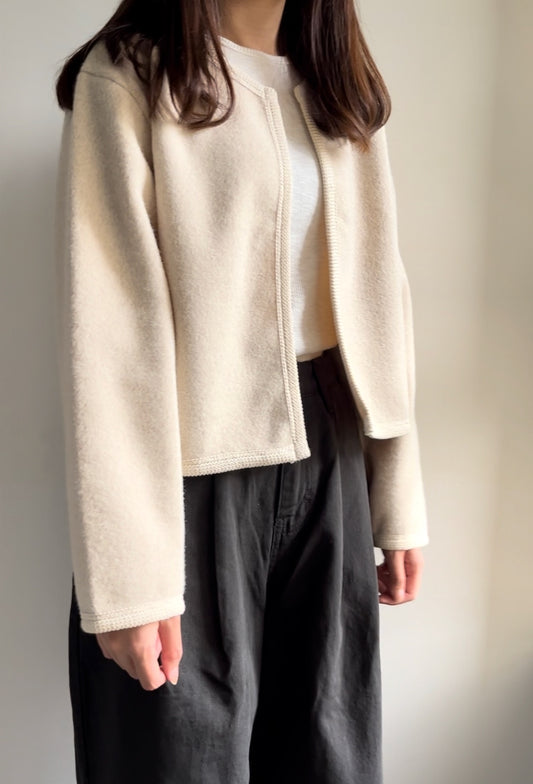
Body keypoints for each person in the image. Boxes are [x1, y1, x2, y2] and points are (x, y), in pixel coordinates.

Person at [54, 1, 429, 782]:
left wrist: (396, 495)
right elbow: (109, 335)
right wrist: (128, 584)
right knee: (174, 757)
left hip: (332, 450)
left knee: (329, 753)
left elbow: (378, 296)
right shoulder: (130, 78)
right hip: (185, 470)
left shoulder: (339, 86)